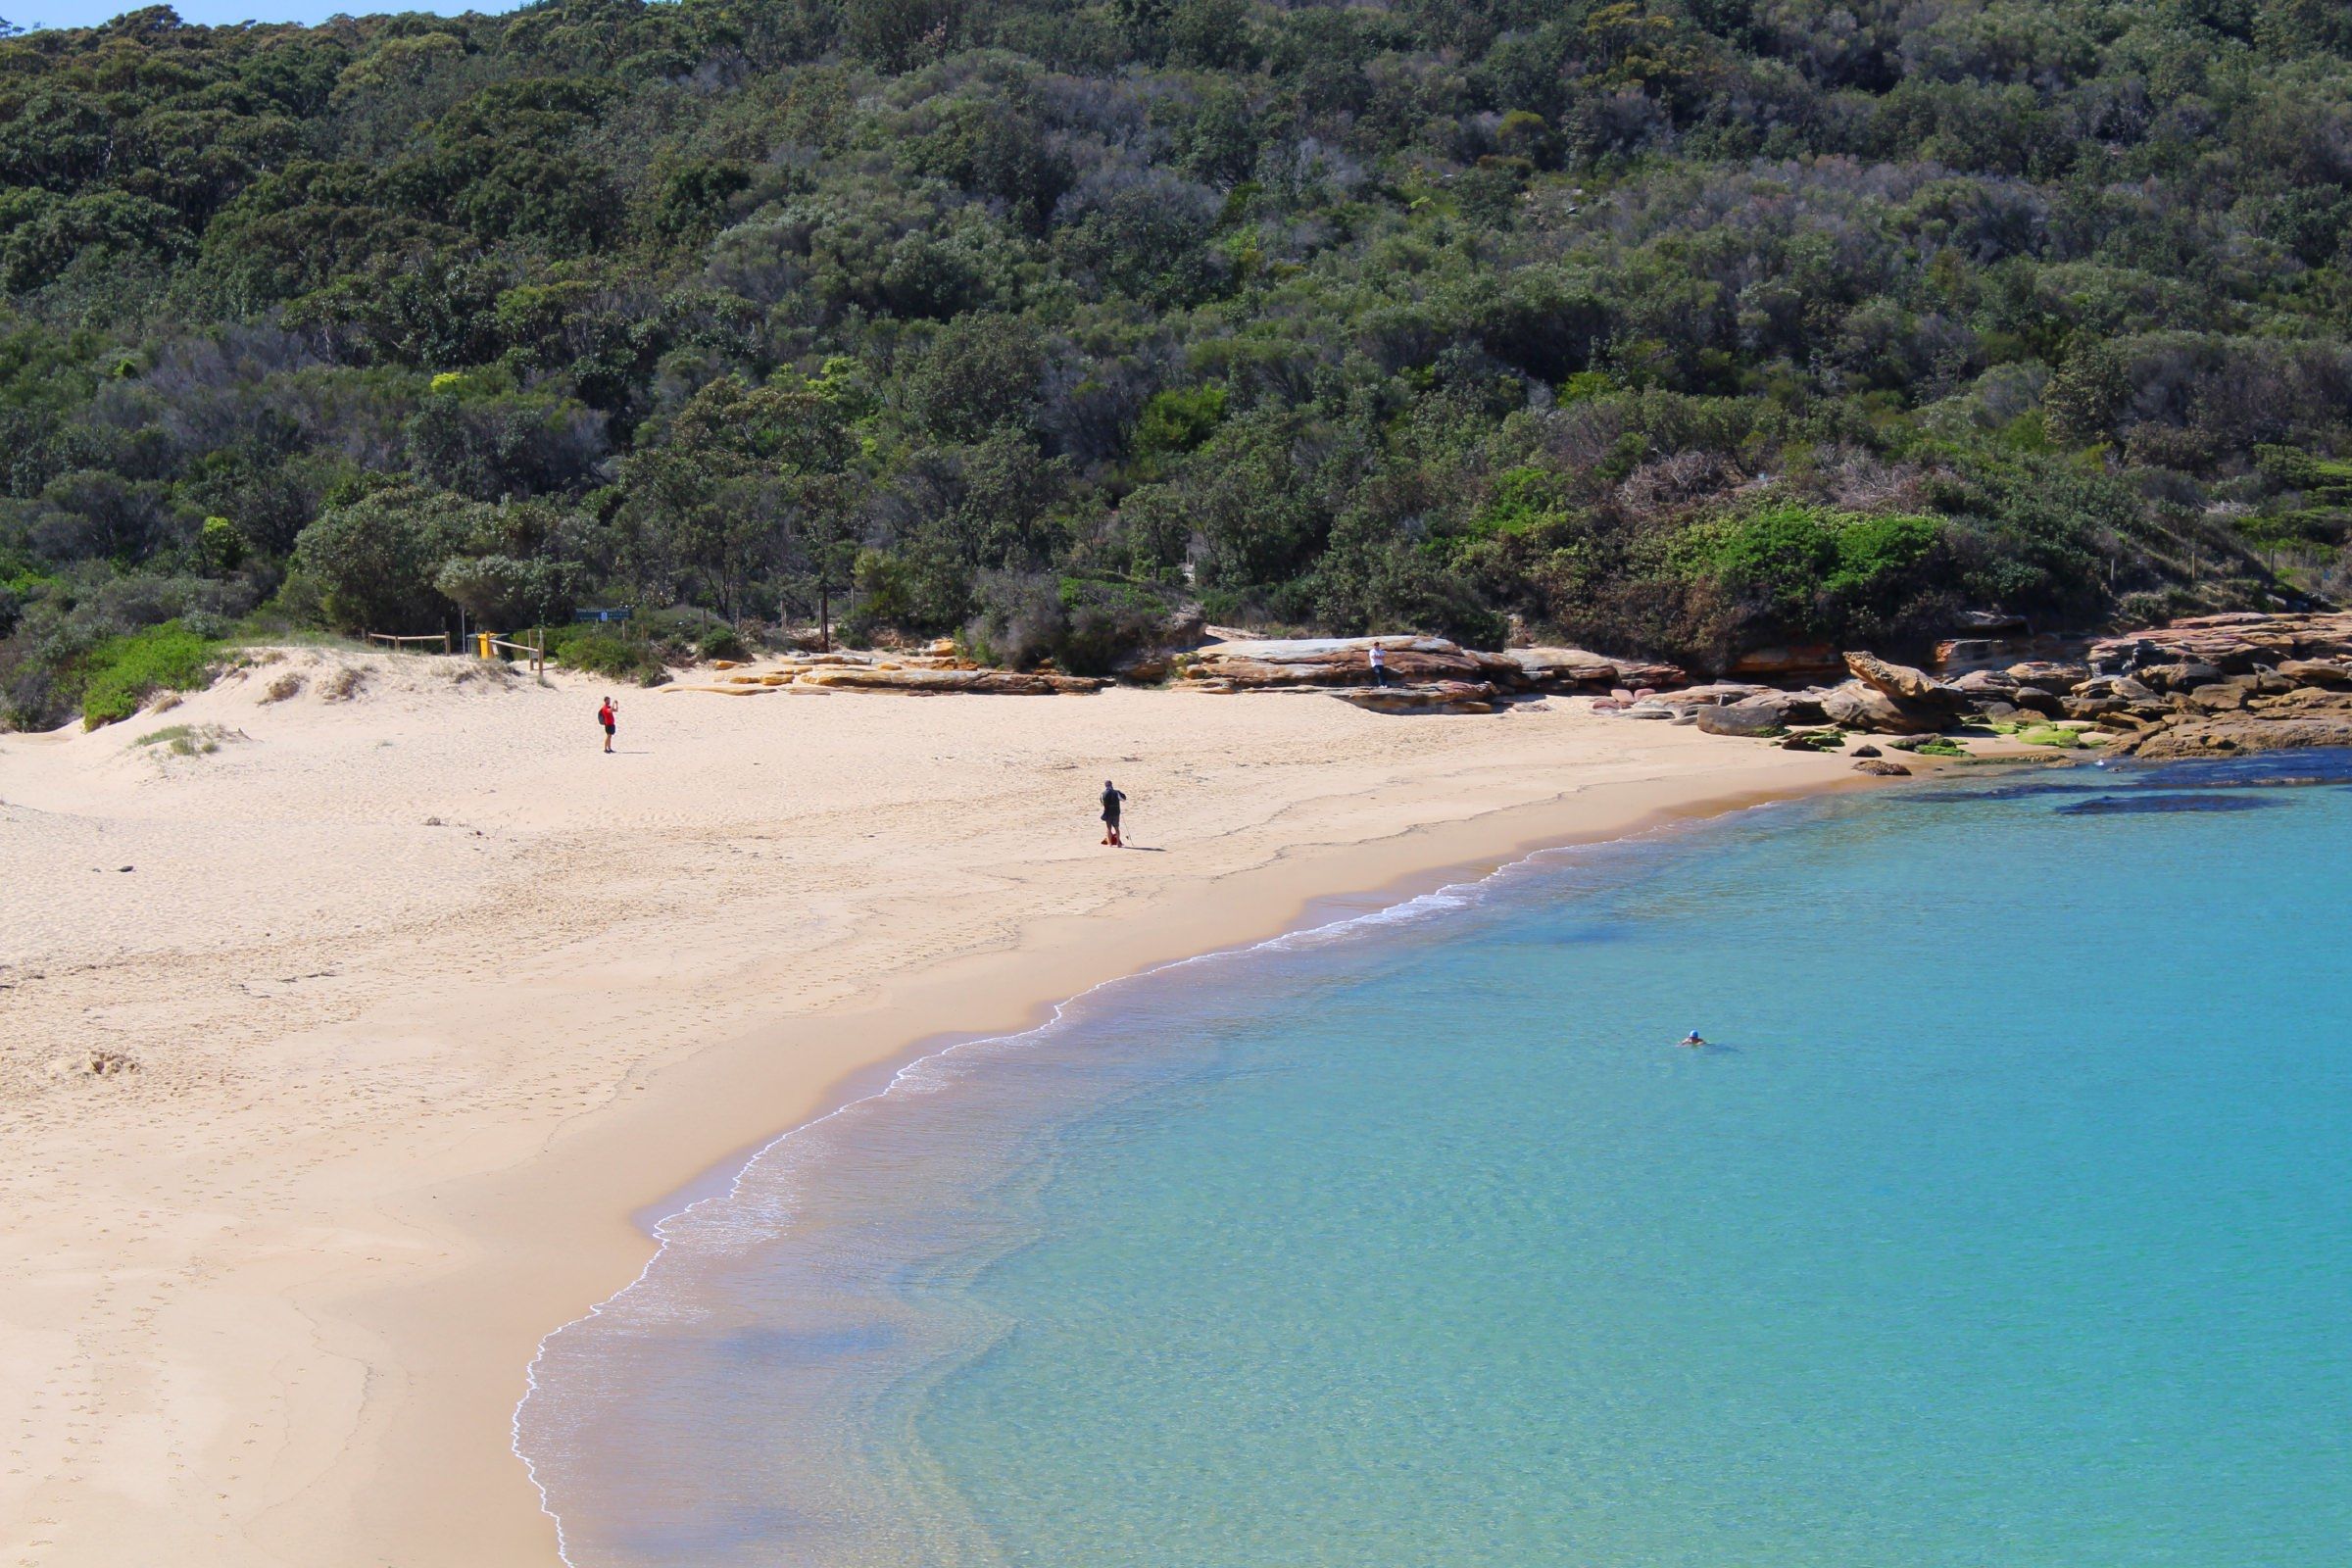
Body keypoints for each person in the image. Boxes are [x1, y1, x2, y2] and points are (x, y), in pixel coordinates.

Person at [1100, 780, 1127, 848]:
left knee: (1109, 828)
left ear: (1105, 786)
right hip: (1116, 812)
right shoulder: (1116, 792)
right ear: (1111, 785)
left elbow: (1102, 803)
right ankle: (1118, 843)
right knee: (1117, 828)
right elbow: (1123, 799)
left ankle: (1110, 844)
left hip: (1108, 813)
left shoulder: (1103, 793)